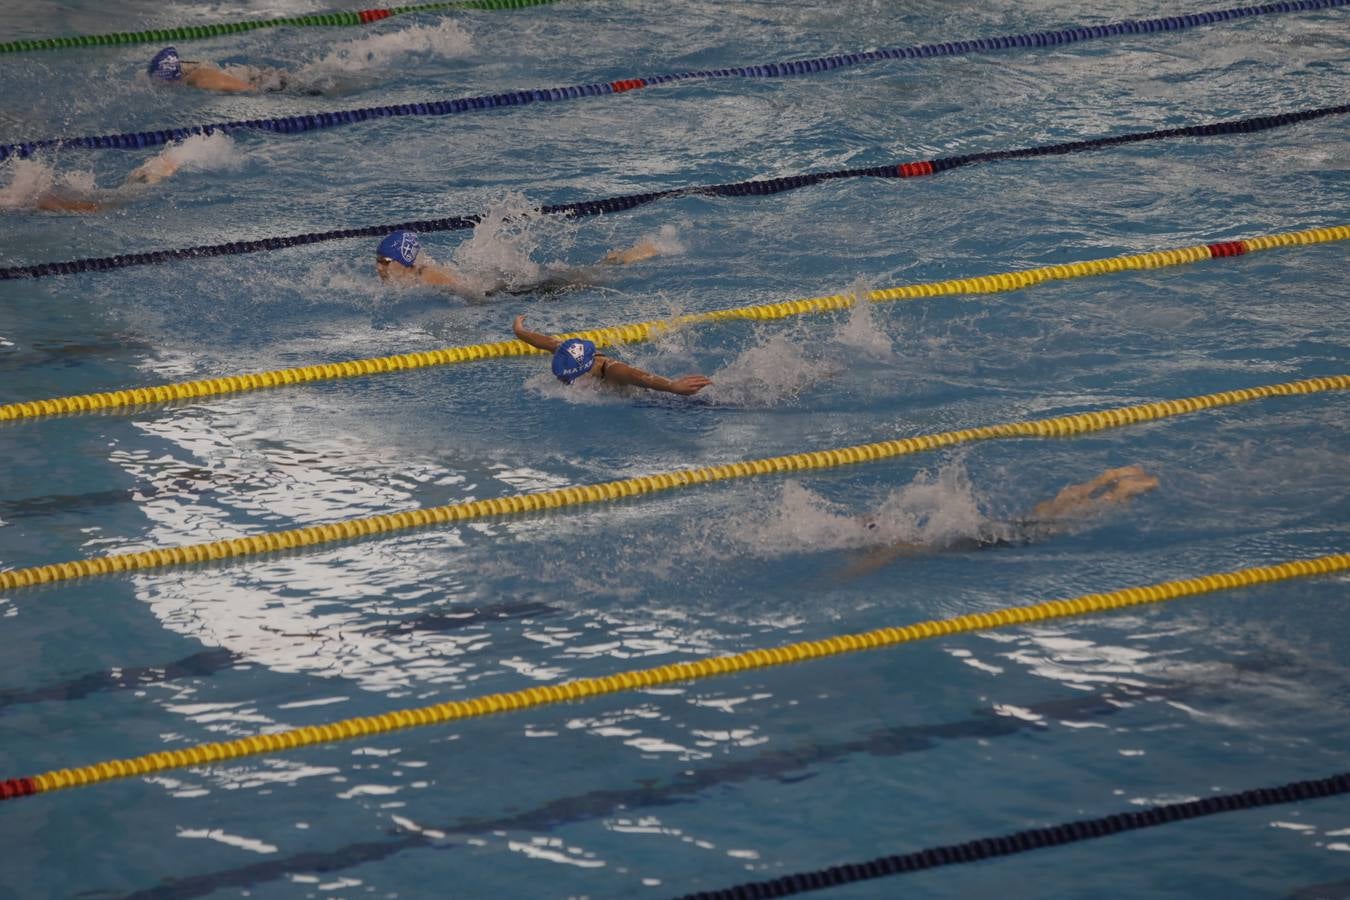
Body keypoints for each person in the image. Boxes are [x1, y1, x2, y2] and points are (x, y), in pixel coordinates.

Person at [841, 465, 1159, 576]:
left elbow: (865, 567)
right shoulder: (916, 536)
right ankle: (1108, 477)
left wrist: (831, 582)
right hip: (989, 527)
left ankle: (1124, 490)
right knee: (1046, 510)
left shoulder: (897, 547)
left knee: (1056, 522)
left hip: (992, 538)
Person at [373, 229, 662, 300]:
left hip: (514, 290)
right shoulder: (415, 276)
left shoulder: (429, 276)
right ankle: (615, 259)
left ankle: (626, 258)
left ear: (403, 261)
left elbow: (471, 295)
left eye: (385, 262)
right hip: (505, 284)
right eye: (378, 261)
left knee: (586, 280)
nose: (379, 268)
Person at [512, 314, 712, 396]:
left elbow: (643, 378)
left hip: (665, 402)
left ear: (588, 367)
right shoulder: (569, 351)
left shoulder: (612, 369)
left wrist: (673, 386)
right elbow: (547, 342)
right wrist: (519, 331)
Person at [147, 47, 291, 94]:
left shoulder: (195, 76)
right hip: (268, 81)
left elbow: (203, 76)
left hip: (272, 85)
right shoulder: (194, 73)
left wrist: (253, 90)